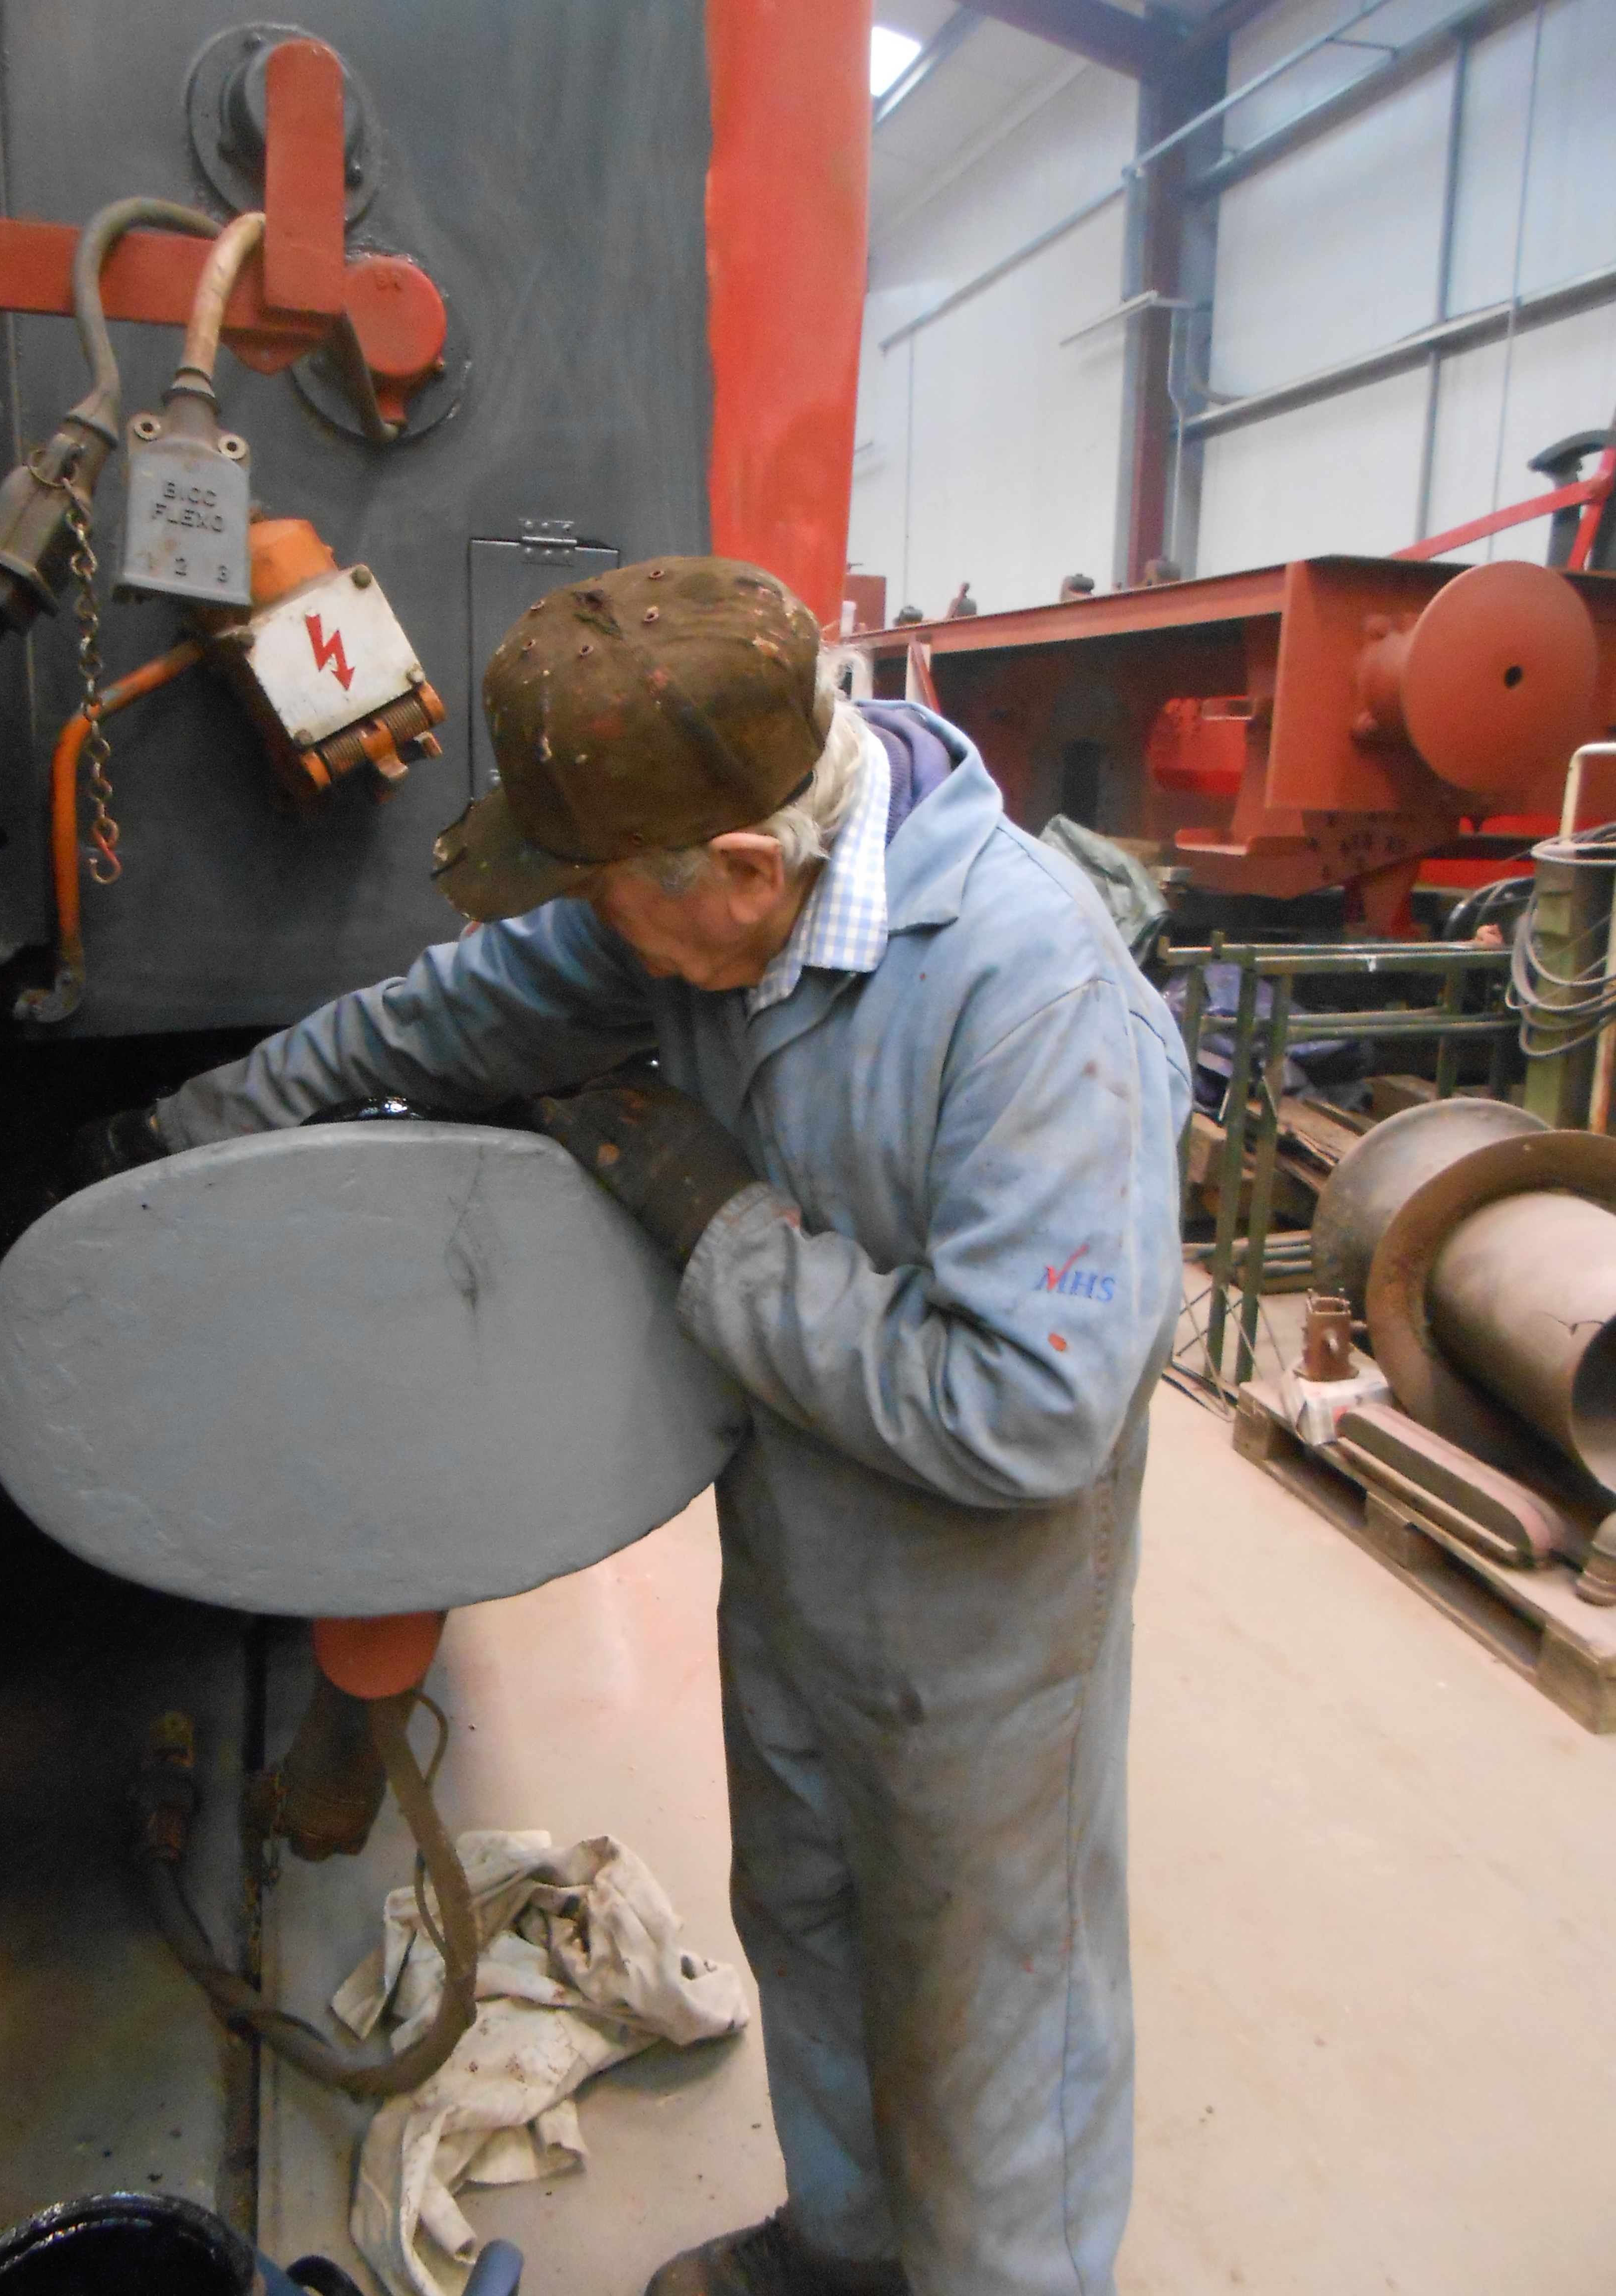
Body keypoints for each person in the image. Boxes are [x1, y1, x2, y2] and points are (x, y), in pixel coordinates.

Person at [81, 556, 1189, 2296]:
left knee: (991, 2014)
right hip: (798, 1544)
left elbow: (1028, 1409)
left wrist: (723, 1226)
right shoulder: (704, 908)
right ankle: (841, 2252)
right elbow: (450, 1015)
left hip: (985, 1622)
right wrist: (184, 1144)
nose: (584, 928)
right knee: (810, 1925)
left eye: (600, 894)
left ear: (747, 870)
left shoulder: (1033, 1008)